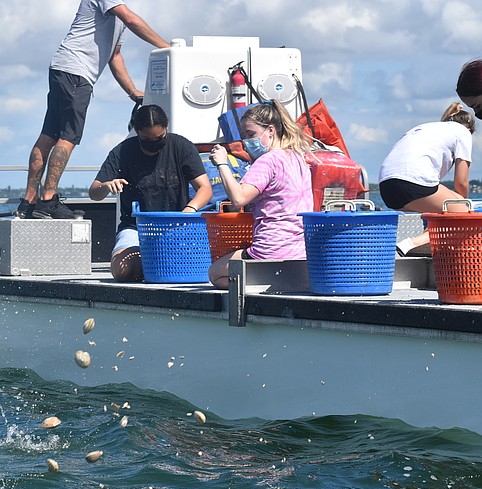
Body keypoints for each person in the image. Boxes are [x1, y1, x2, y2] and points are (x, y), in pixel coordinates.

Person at [19, 0, 170, 220]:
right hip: (76, 74)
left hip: (64, 69)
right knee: (68, 136)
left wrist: (131, 91)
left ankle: (28, 203)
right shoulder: (117, 8)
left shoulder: (116, 14)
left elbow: (114, 55)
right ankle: (48, 200)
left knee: (49, 135)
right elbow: (130, 18)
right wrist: (167, 47)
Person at [89, 104, 213, 282]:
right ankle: (149, 259)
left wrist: (188, 212)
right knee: (124, 271)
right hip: (135, 228)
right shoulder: (122, 151)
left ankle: (157, 260)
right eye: (148, 139)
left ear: (166, 128)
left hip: (176, 225)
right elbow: (94, 193)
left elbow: (205, 188)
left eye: (160, 138)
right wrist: (107, 185)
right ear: (137, 132)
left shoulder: (181, 146)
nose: (155, 143)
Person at [207, 100, 314, 290]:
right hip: (300, 252)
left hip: (270, 250)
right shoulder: (298, 158)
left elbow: (238, 199)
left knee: (215, 273)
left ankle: (254, 291)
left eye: (251, 134)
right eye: (245, 136)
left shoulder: (267, 161)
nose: (247, 142)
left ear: (271, 131)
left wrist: (222, 164)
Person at [378, 103, 475, 256]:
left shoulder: (427, 128)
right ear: (469, 129)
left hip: (387, 188)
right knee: (462, 214)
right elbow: (461, 182)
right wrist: (462, 207)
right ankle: (410, 244)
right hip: (412, 182)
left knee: (447, 207)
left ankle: (419, 243)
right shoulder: (463, 132)